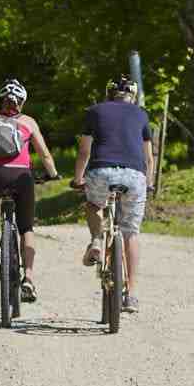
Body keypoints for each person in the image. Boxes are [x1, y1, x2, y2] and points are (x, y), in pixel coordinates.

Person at [72, 76, 157, 314]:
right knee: (131, 232)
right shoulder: (141, 114)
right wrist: (149, 183)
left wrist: (78, 179)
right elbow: (149, 157)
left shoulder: (94, 111)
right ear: (133, 95)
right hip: (134, 176)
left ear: (108, 94)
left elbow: (84, 151)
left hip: (102, 171)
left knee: (93, 204)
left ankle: (96, 240)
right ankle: (131, 294)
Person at [0, 80, 56, 301]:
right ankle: (29, 278)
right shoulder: (28, 122)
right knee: (26, 228)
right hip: (22, 176)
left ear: (0, 101)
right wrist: (53, 174)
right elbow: (44, 154)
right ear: (22, 102)